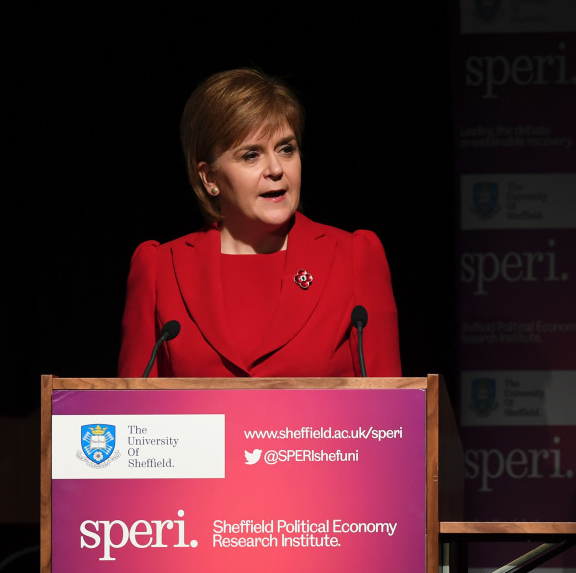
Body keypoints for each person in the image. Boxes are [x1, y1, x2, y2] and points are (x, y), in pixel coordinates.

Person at [117, 68, 401, 377]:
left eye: (286, 149)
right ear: (210, 178)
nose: (276, 169)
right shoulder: (161, 269)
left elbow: (393, 416)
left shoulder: (354, 257)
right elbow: (130, 414)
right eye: (251, 155)